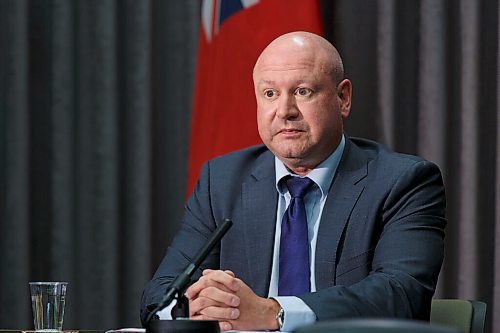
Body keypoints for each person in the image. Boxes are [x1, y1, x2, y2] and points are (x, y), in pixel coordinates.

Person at [140, 31, 446, 332]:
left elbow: (402, 294)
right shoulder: (221, 182)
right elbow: (160, 295)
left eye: (303, 91)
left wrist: (274, 313)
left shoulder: (403, 182)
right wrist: (195, 303)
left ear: (343, 98)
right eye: (270, 94)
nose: (285, 111)